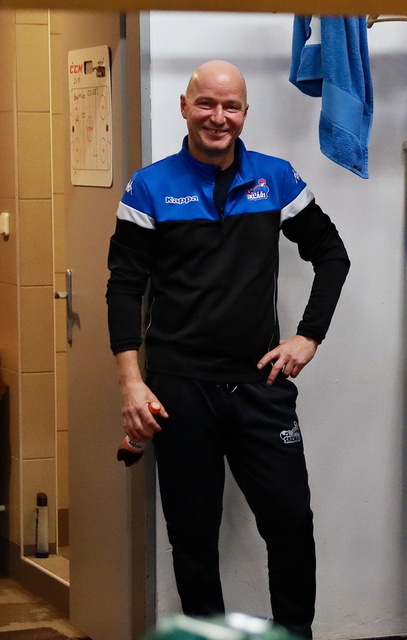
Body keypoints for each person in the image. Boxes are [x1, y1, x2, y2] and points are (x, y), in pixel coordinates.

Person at [105, 60, 349, 639]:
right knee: (193, 536)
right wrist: (131, 382)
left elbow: (331, 254)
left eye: (231, 106)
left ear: (244, 113)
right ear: (185, 107)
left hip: (260, 385)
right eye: (207, 104)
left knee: (291, 524)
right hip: (179, 387)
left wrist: (308, 336)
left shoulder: (275, 179)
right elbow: (124, 287)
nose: (219, 117)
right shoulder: (149, 187)